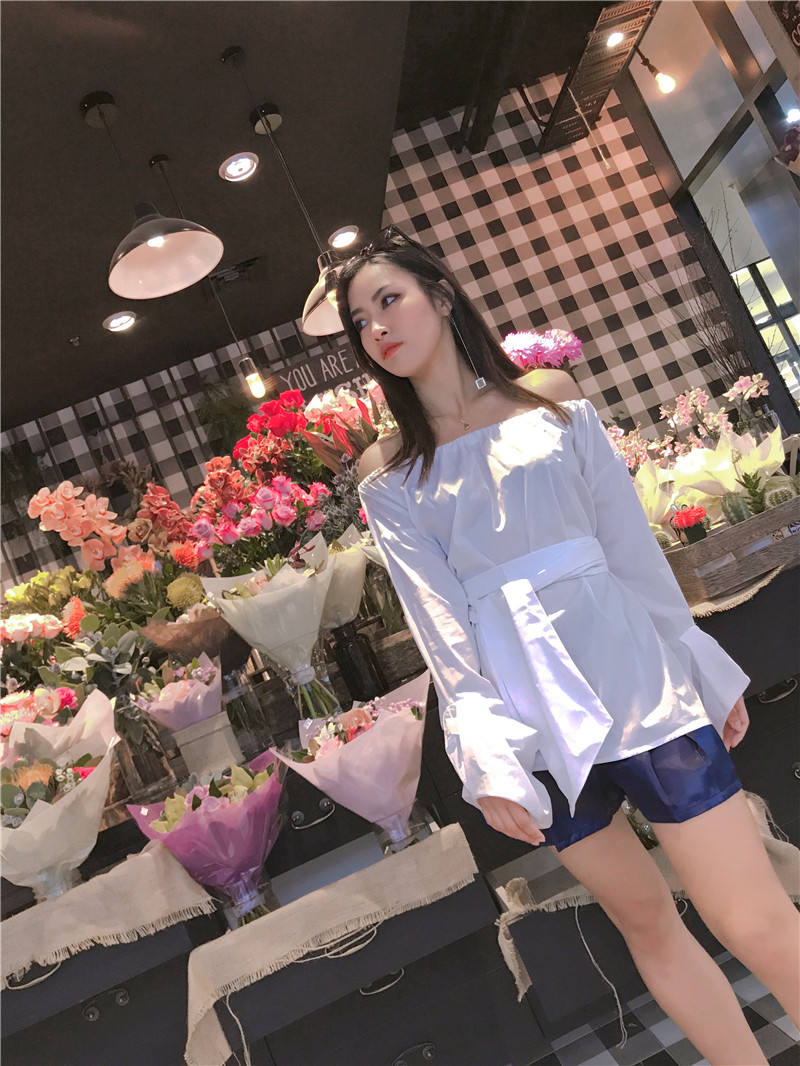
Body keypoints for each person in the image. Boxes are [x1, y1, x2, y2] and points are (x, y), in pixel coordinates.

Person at [338, 227, 799, 1065]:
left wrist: (698, 662)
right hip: (530, 720)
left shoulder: (548, 399)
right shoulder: (391, 471)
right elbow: (440, 628)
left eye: (388, 300)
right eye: (359, 321)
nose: (377, 328)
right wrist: (487, 753)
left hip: (637, 679)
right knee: (645, 922)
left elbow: (631, 550)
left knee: (750, 914)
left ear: (440, 295)